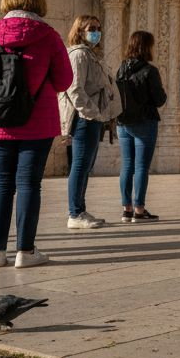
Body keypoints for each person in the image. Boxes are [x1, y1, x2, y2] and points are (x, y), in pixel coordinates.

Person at [0, 0, 73, 268]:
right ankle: (26, 252)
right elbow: (65, 80)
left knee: (1, 183)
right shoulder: (49, 36)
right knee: (29, 184)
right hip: (37, 121)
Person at [59, 14, 122, 229]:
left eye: (98, 27)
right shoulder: (78, 55)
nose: (96, 31)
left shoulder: (90, 55)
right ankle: (74, 212)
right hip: (85, 118)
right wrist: (92, 113)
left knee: (85, 166)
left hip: (94, 117)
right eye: (91, 28)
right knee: (79, 165)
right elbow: (74, 88)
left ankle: (80, 209)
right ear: (80, 31)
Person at [116, 31, 167, 223]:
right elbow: (159, 99)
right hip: (144, 121)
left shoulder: (122, 68)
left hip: (123, 122)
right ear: (147, 47)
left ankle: (126, 209)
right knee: (141, 167)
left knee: (127, 165)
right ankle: (139, 209)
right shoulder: (150, 71)